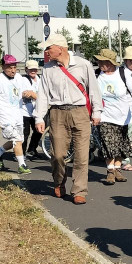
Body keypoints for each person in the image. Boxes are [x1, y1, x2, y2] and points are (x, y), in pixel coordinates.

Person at [33, 34, 101, 205]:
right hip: (57, 113)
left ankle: (79, 190)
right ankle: (59, 181)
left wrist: (97, 112)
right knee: (58, 154)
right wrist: (39, 118)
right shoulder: (47, 68)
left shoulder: (83, 65)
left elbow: (93, 89)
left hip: (80, 112)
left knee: (81, 154)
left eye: (49, 48)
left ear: (60, 48)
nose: (46, 51)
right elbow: (43, 95)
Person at [93, 48, 132, 185]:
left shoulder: (123, 73)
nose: (100, 64)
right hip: (105, 116)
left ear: (111, 62)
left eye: (103, 62)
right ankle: (110, 171)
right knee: (108, 143)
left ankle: (117, 169)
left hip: (122, 116)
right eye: (99, 61)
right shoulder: (97, 75)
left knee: (120, 145)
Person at [0, 54, 32, 174]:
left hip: (17, 115)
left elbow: (21, 92)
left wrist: (27, 94)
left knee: (18, 140)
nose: (12, 70)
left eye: (14, 67)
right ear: (3, 67)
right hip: (5, 116)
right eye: (9, 67)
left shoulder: (18, 78)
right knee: (16, 140)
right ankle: (22, 165)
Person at [21, 59, 43, 158]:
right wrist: (37, 96)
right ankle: (21, 153)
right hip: (24, 111)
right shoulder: (23, 80)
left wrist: (35, 95)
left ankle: (32, 149)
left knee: (38, 131)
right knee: (25, 134)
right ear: (26, 69)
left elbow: (40, 94)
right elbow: (26, 94)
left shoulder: (39, 79)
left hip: (36, 111)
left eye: (35, 69)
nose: (33, 71)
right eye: (31, 69)